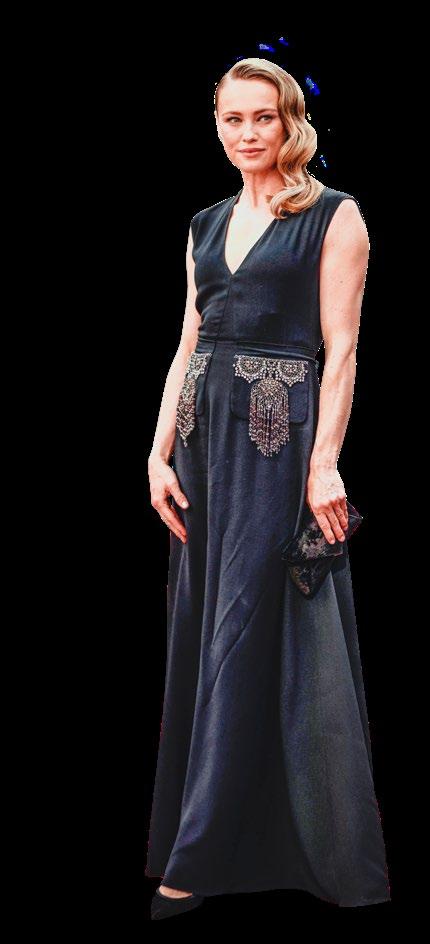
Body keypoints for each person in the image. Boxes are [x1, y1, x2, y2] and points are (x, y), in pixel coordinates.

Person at [146, 58, 391, 918]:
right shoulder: (205, 223)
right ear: (217, 125)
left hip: (275, 444)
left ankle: (204, 852)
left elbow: (342, 349)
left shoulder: (334, 215)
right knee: (208, 628)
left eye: (263, 117)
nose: (248, 133)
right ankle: (212, 834)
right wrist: (156, 453)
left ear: (291, 122)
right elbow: (189, 343)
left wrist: (325, 462)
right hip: (202, 450)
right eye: (232, 119)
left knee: (250, 628)